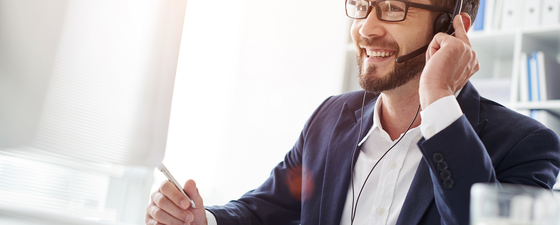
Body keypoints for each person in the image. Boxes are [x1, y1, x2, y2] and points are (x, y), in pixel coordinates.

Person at [145, 0, 560, 224]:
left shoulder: (526, 145)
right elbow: (265, 209)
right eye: (361, 4)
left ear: (452, 25)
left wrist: (437, 98)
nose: (366, 28)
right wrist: (203, 222)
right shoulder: (330, 119)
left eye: (393, 8)